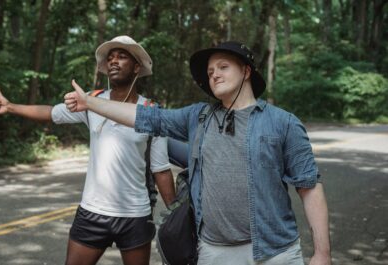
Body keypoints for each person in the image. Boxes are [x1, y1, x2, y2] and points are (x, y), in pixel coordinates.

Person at [65, 41, 332, 265]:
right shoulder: (198, 117)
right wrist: (90, 103)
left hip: (275, 253)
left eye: (223, 67)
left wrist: (322, 253)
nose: (214, 74)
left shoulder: (283, 123)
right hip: (212, 253)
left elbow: (309, 187)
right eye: (210, 70)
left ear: (246, 71)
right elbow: (144, 117)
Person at [0, 35, 175, 265]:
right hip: (92, 211)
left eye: (122, 57)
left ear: (137, 67)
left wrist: (177, 213)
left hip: (135, 214)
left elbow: (161, 170)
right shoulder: (90, 102)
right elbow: (51, 113)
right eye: (111, 58)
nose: (114, 61)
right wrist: (11, 107)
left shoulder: (151, 111)